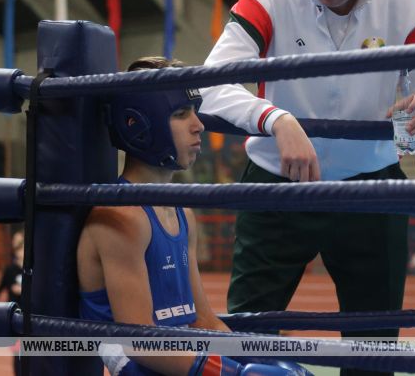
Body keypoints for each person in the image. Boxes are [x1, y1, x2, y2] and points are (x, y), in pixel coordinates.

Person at [201, 0, 415, 375]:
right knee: (246, 338)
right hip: (277, 183)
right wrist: (275, 119)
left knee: (374, 350)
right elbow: (210, 82)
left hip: (371, 189)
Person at [77, 56, 307, 376]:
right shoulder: (121, 217)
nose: (199, 125)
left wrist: (257, 358)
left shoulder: (182, 212)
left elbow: (203, 320)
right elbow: (140, 343)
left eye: (195, 111)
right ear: (141, 123)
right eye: (180, 113)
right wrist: (233, 374)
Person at [0, 229, 24, 376]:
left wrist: (23, 290)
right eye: (18, 249)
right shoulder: (10, 270)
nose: (20, 252)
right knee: (17, 353)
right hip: (14, 317)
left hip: (29, 314)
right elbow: (0, 287)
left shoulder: (32, 270)